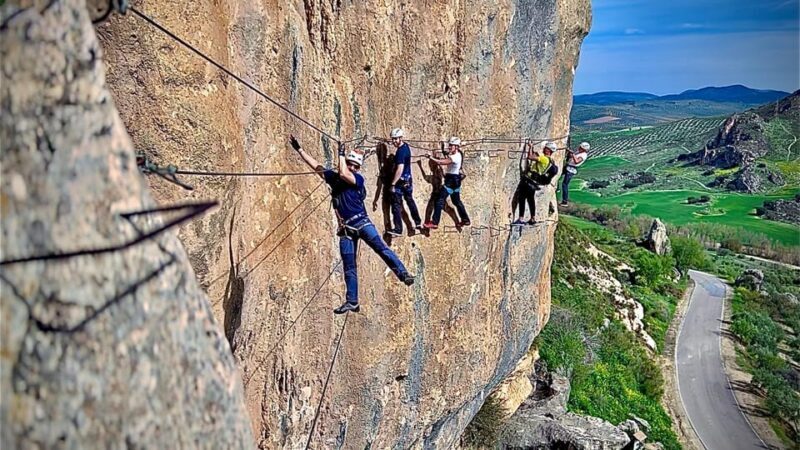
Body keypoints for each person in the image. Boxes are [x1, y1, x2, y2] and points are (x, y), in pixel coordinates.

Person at [290, 135, 414, 314]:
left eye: (356, 166)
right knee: (349, 267)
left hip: (362, 223)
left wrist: (341, 155)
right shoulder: (334, 178)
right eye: (351, 164)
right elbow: (316, 166)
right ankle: (352, 301)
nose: (353, 168)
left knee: (381, 248)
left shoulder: (358, 180)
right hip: (346, 229)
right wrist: (299, 149)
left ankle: (403, 274)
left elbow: (344, 174)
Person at [424, 137, 470, 229]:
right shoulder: (459, 153)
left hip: (451, 181)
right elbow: (448, 155)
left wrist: (430, 158)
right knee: (456, 201)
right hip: (456, 180)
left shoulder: (454, 157)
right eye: (449, 145)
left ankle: (435, 222)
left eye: (451, 145)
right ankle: (465, 220)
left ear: (456, 147)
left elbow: (441, 162)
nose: (449, 147)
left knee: (439, 200)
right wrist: (443, 150)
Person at [387, 128, 423, 236]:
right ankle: (417, 222)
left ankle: (398, 229)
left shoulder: (400, 152)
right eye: (393, 139)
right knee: (410, 201)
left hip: (400, 182)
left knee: (396, 205)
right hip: (408, 180)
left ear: (400, 138)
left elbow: (400, 169)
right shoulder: (406, 147)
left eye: (395, 139)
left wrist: (393, 184)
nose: (394, 141)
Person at [512, 141, 558, 225]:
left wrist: (530, 147)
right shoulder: (551, 161)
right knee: (530, 200)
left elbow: (530, 157)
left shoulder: (544, 159)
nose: (544, 148)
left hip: (528, 181)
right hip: (535, 183)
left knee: (522, 198)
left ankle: (521, 219)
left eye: (546, 148)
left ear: (548, 150)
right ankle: (532, 218)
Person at [560, 141, 589, 206]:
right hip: (568, 167)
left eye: (580, 147)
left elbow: (576, 161)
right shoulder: (579, 152)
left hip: (571, 170)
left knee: (565, 185)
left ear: (584, 149)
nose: (579, 148)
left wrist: (573, 154)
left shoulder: (583, 155)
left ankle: (564, 201)